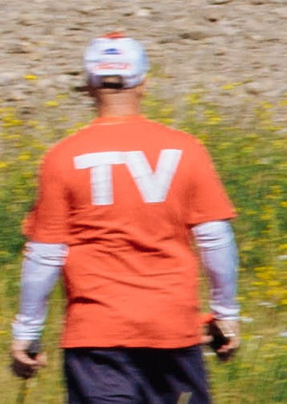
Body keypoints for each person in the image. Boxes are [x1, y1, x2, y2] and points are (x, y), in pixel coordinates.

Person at [12, 33, 242, 402]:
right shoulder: (186, 150)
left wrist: (27, 332)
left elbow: (45, 255)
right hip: (173, 333)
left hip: (98, 338)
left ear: (89, 86)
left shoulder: (62, 158)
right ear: (144, 84)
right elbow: (216, 238)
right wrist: (226, 314)